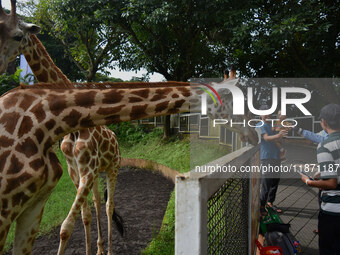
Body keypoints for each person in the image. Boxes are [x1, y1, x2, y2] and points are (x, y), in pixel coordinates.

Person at [300, 104, 340, 254]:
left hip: (333, 213)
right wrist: (322, 172)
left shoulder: (325, 145)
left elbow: (331, 183)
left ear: (324, 122)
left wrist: (308, 181)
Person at [257, 105, 288, 215]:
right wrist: (279, 135)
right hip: (266, 157)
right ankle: (261, 205)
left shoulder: (271, 125)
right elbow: (265, 138)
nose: (267, 115)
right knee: (266, 183)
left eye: (269, 113)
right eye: (264, 112)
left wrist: (281, 136)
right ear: (260, 114)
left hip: (276, 157)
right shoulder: (260, 124)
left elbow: (279, 139)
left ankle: (270, 203)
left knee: (275, 181)